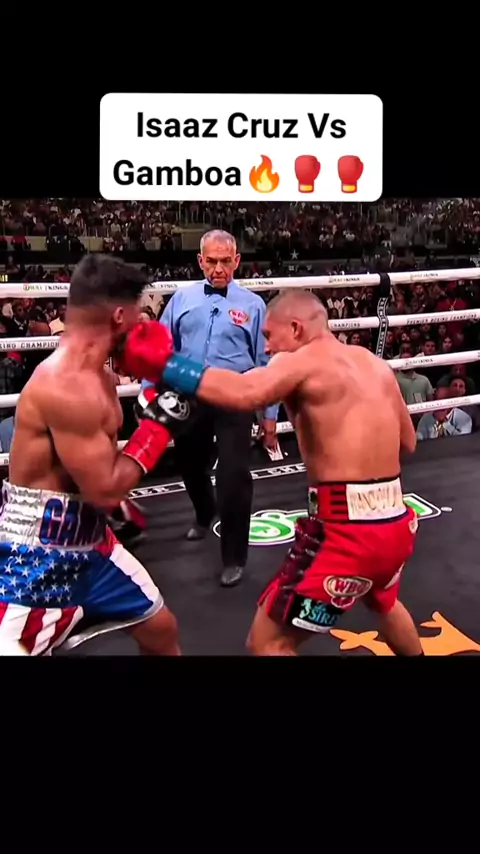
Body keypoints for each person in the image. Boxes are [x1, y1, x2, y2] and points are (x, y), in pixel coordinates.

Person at [125, 288, 424, 656]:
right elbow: (408, 442)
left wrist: (167, 365)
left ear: (296, 328)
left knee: (267, 642)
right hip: (396, 523)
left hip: (346, 531)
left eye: (269, 335)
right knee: (384, 602)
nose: (266, 348)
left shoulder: (300, 359)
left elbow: (244, 393)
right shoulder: (373, 364)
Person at [0, 254, 197, 656]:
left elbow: (91, 476)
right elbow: (105, 490)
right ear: (120, 316)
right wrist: (157, 429)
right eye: (138, 314)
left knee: (161, 630)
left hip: (93, 542)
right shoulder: (65, 385)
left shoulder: (102, 377)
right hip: (38, 559)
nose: (143, 325)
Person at [152, 229, 279, 587]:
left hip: (235, 395)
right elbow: (162, 346)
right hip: (190, 392)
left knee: (233, 475)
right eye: (211, 261)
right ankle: (204, 511)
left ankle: (234, 556)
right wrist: (153, 391)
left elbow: (266, 364)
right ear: (200, 261)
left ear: (237, 261)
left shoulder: (254, 305)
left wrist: (269, 415)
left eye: (225, 261)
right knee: (190, 464)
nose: (218, 269)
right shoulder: (181, 298)